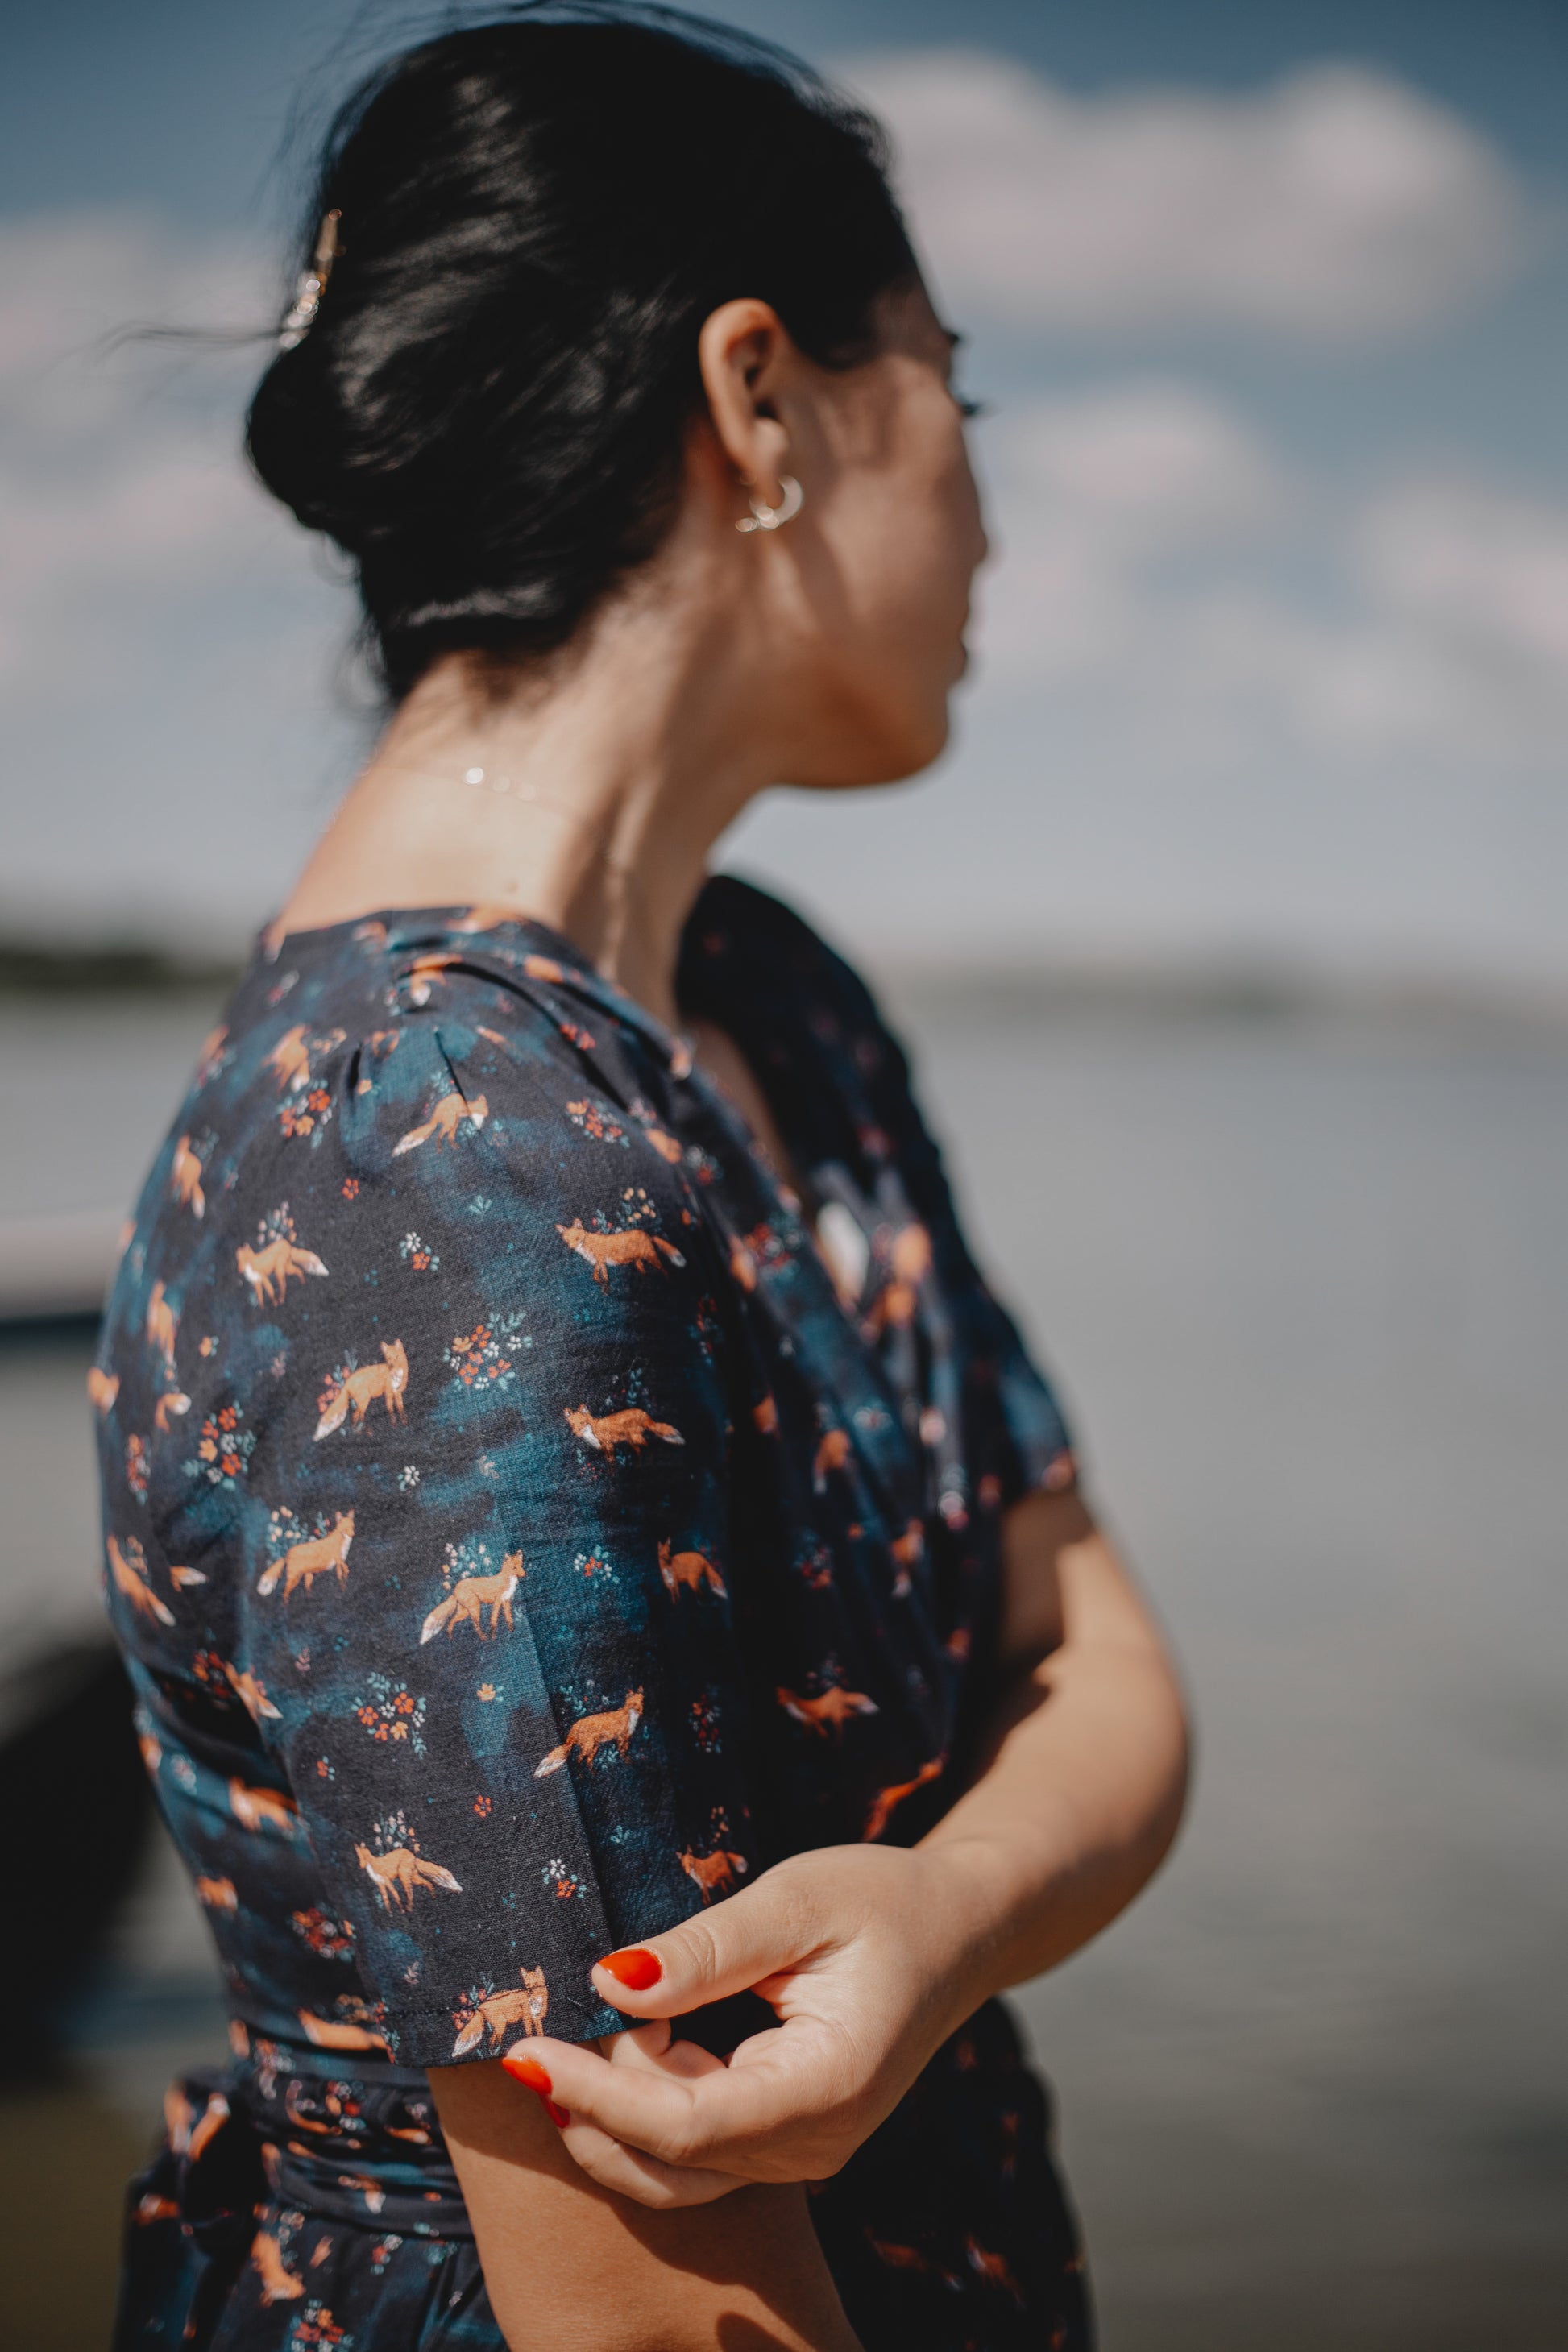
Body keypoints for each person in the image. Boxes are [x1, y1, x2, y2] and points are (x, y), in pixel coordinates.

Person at [94, 10, 1188, 2348]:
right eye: (957, 400)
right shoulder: (439, 1159)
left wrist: (946, 1907)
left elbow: (1091, 1647)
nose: (990, 507)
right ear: (760, 400)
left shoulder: (765, 997)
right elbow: (637, 2278)